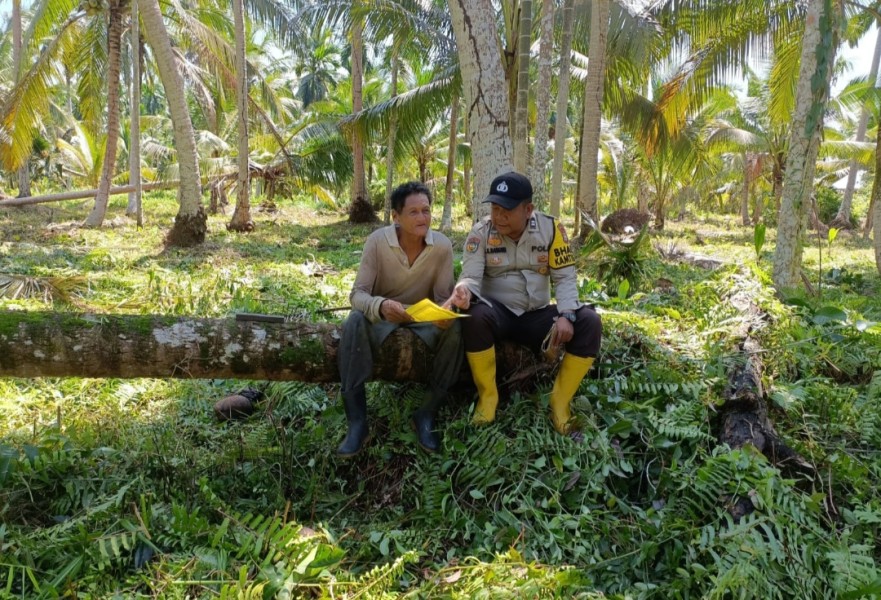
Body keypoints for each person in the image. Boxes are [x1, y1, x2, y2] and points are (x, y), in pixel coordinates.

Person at [446, 171, 602, 436]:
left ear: (528, 209)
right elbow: (470, 276)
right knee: (474, 314)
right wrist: (463, 291)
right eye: (495, 208)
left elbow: (564, 277)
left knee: (590, 322)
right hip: (498, 313)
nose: (499, 216)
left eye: (506, 209)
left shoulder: (551, 229)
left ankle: (560, 404)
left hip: (537, 315)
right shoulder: (481, 232)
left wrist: (567, 315)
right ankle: (488, 398)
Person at [337, 181, 463, 456]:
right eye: (414, 212)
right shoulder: (378, 242)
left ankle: (427, 413)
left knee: (457, 329)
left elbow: (444, 296)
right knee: (355, 321)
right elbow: (357, 295)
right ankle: (357, 421)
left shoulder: (441, 246)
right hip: (383, 317)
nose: (423, 218)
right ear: (396, 216)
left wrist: (445, 314)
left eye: (427, 211)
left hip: (422, 318)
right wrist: (381, 306)